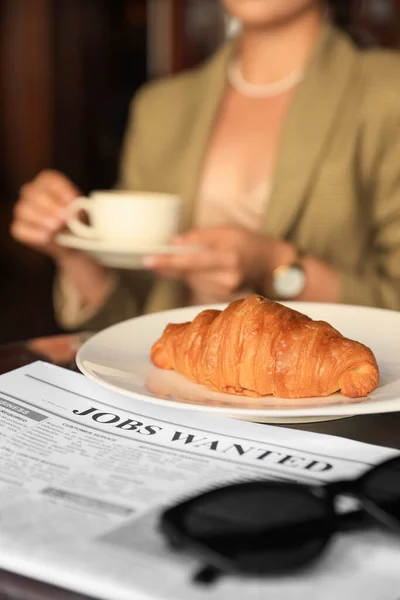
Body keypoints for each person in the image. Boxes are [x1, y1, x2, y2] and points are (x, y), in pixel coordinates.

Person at [11, 0, 400, 332]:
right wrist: (72, 249)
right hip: (172, 392)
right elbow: (129, 321)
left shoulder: (386, 93)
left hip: (319, 406)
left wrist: (275, 265)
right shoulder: (161, 107)